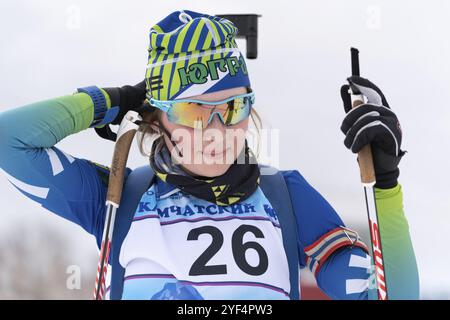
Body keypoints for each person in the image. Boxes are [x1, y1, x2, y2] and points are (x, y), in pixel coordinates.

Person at [0, 9, 419, 300]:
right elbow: (10, 139)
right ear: (156, 118)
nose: (216, 130)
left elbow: (391, 295)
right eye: (193, 110)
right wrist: (113, 100)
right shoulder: (118, 197)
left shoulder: (284, 195)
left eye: (234, 107)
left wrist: (385, 184)